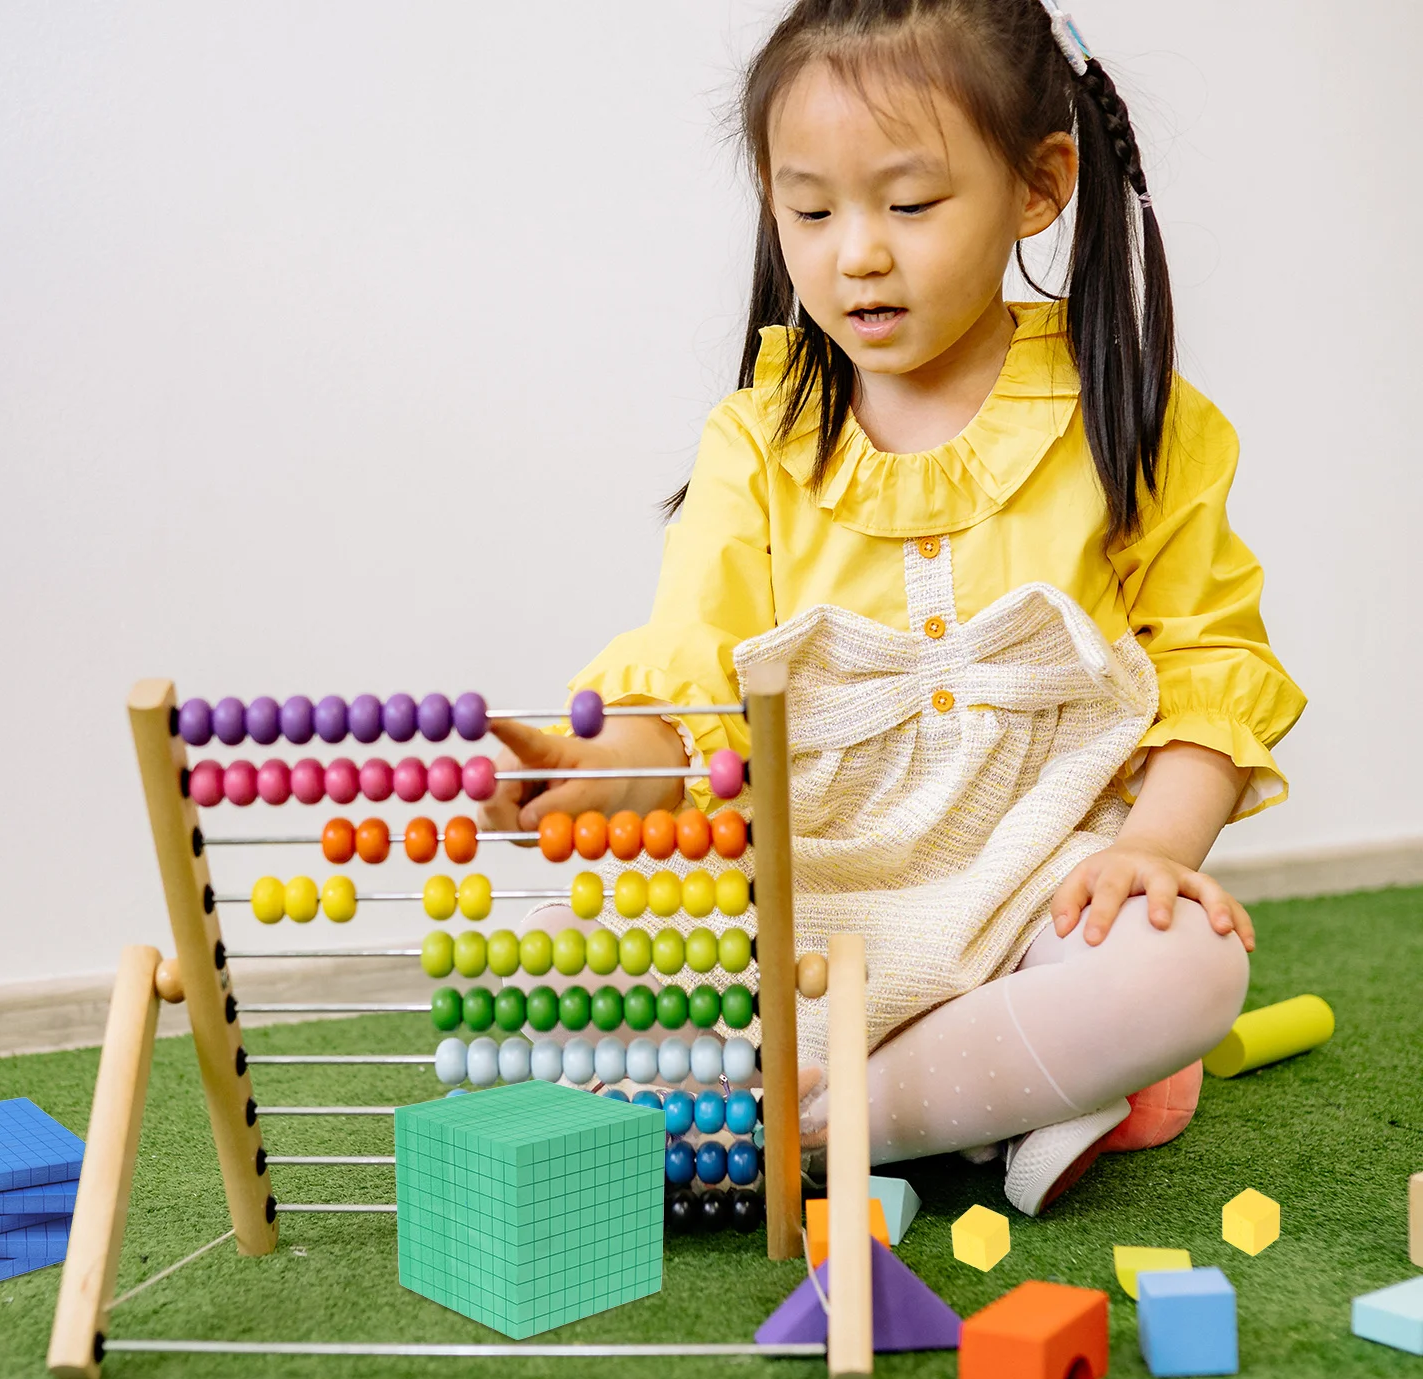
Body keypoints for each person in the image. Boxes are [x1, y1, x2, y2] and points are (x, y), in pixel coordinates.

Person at [479, 0, 1304, 1215]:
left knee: (1186, 970)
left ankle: (798, 1125)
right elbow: (690, 680)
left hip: (1035, 888)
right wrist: (601, 769)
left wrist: (1148, 856)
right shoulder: (757, 443)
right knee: (534, 967)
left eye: (908, 205)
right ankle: (994, 1099)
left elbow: (1208, 667)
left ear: (1038, 184)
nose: (854, 251)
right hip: (811, 889)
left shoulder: (1131, 418)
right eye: (809, 211)